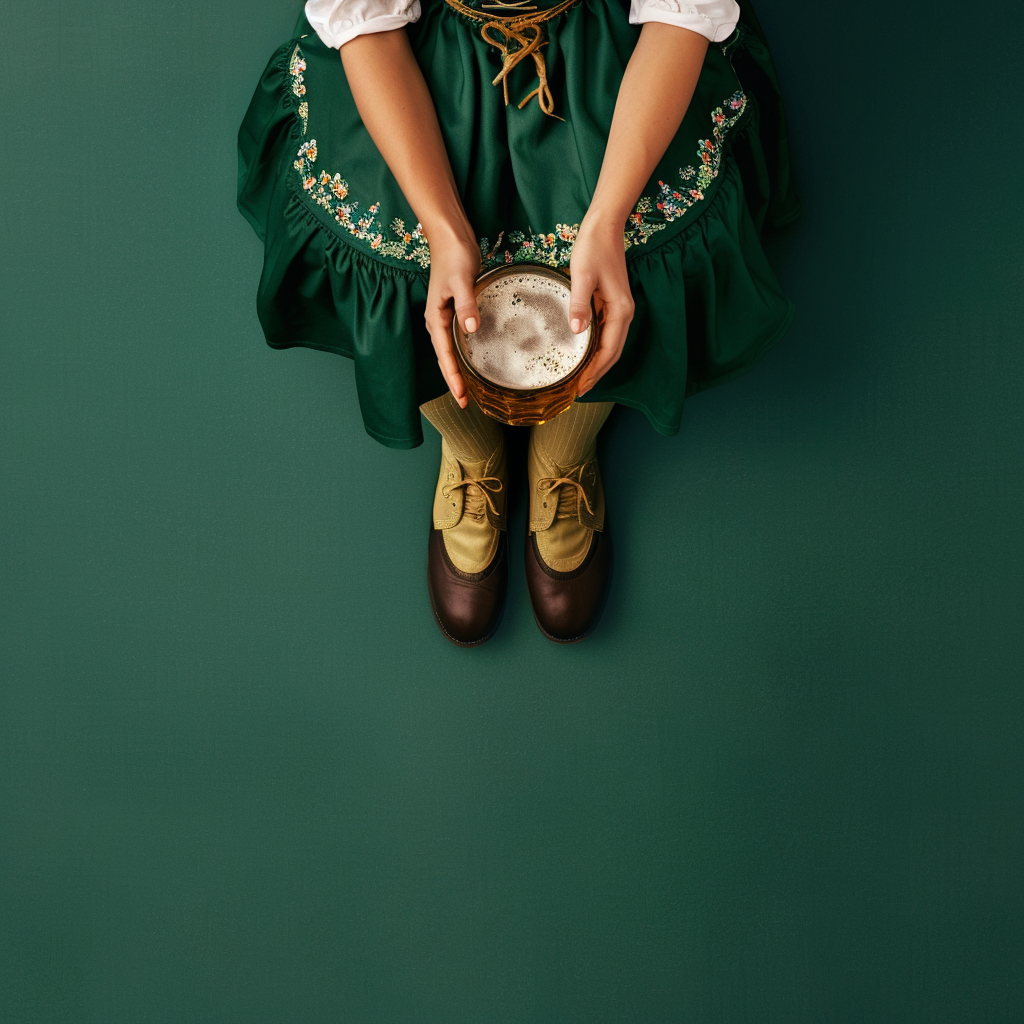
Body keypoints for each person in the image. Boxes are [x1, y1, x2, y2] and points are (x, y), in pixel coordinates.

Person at [237, 0, 800, 646]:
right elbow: (368, 22)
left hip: (606, 40)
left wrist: (609, 218)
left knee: (634, 254)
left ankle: (566, 448)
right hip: (419, 45)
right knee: (404, 259)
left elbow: (680, 14)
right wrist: (443, 228)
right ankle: (473, 448)